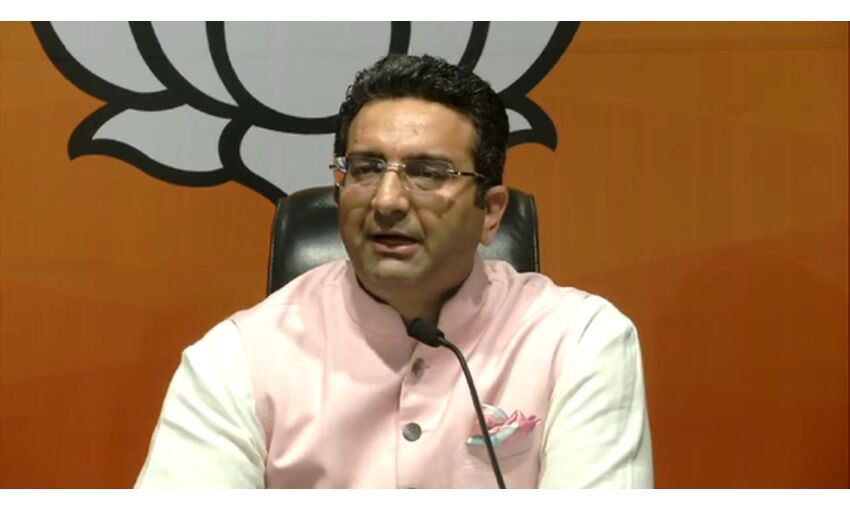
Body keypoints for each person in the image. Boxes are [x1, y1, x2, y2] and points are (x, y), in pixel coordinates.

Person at [135, 54, 653, 488]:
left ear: (491, 212)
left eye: (427, 173)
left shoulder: (579, 340)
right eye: (365, 168)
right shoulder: (238, 358)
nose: (386, 201)